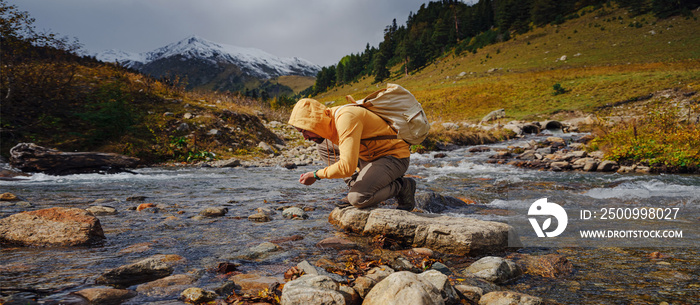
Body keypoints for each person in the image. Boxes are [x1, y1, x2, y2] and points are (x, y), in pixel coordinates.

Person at [288, 98, 416, 210]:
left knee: (357, 199)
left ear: (314, 122)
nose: (305, 137)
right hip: (370, 156)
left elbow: (346, 168)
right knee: (322, 146)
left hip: (393, 156)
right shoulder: (329, 120)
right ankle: (357, 184)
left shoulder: (346, 118)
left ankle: (402, 186)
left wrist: (316, 175)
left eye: (305, 131)